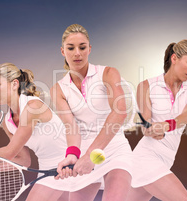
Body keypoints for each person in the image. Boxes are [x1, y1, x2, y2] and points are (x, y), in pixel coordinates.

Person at [50, 24, 132, 201]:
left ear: (90, 49)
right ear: (63, 51)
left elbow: (120, 112)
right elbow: (72, 128)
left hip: (115, 149)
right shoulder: (57, 89)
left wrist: (91, 155)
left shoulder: (109, 73)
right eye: (71, 48)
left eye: (82, 47)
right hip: (84, 156)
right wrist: (72, 155)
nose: (77, 53)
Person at [0, 63, 70, 201]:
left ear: (14, 84)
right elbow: (24, 160)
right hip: (48, 170)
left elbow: (9, 151)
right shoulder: (7, 122)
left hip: (70, 163)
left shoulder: (32, 107)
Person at [127, 39, 187, 201]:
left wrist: (166, 126)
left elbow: (186, 116)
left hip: (167, 158)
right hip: (146, 157)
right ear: (174, 58)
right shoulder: (146, 86)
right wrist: (149, 129)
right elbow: (145, 122)